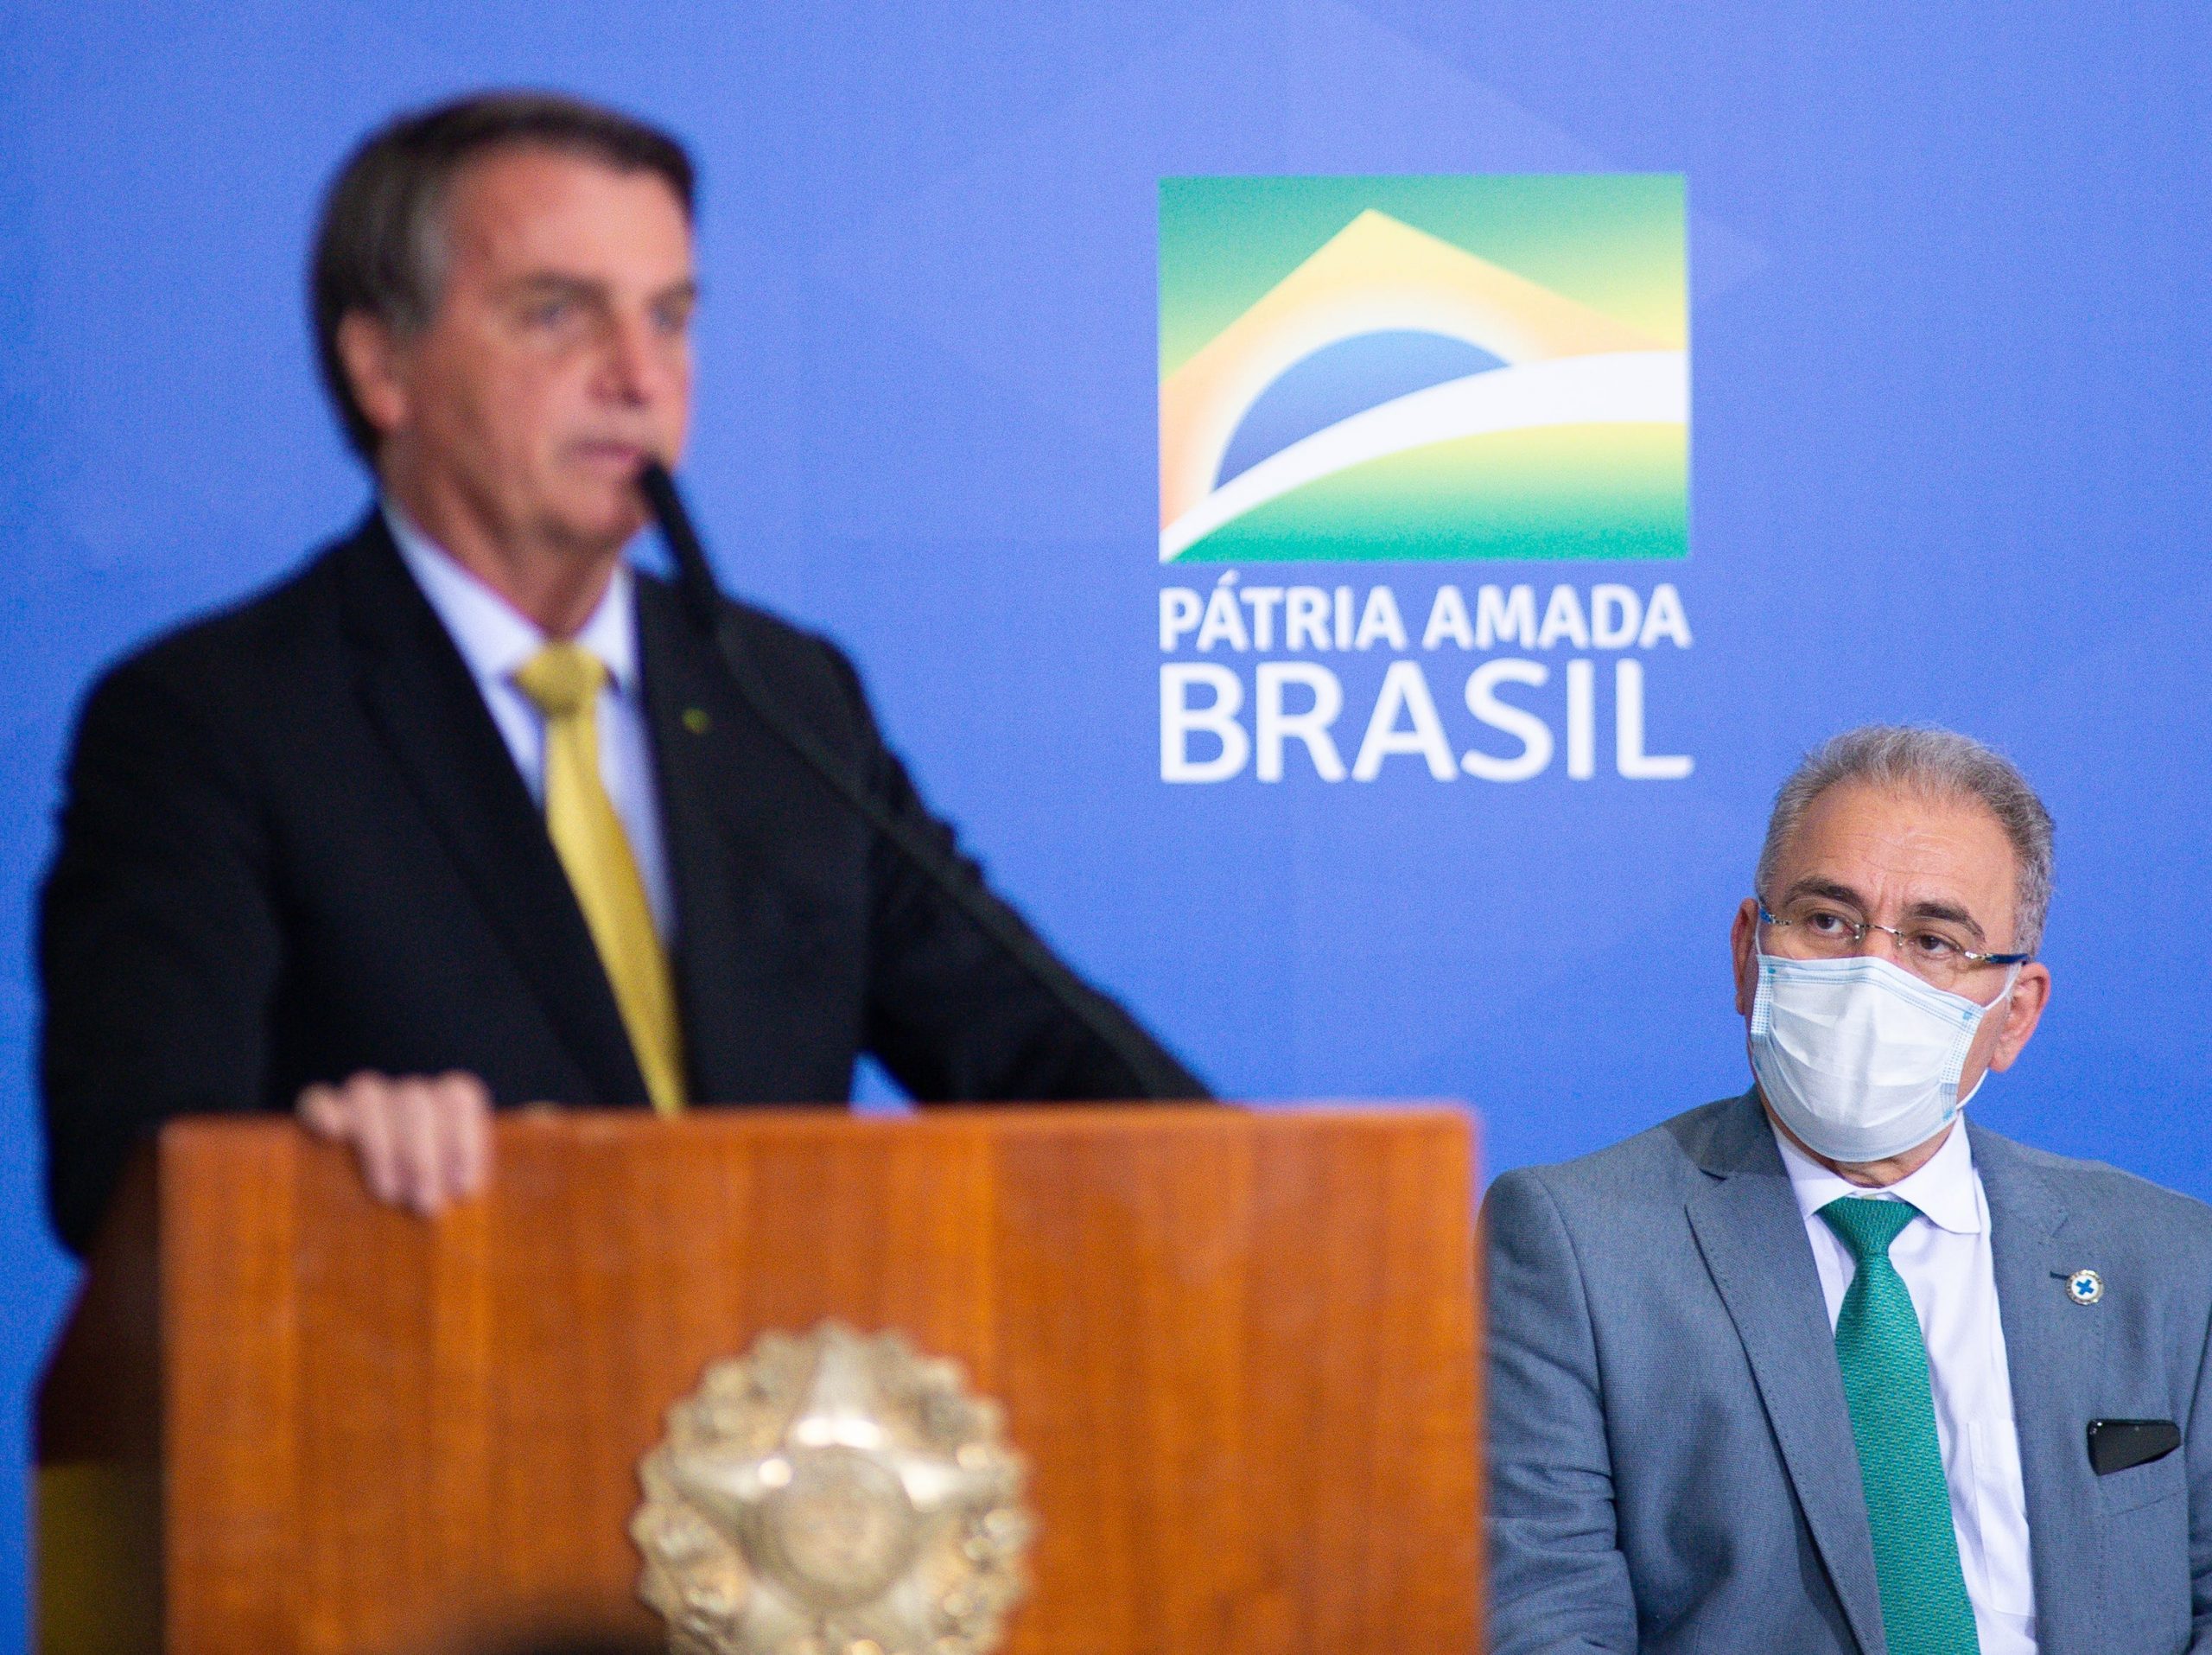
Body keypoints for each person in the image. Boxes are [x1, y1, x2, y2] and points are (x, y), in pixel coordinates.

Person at [38, 92, 1205, 1257]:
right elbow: (123, 1177)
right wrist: (315, 1166)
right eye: (558, 314)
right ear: (383, 365)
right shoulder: (213, 719)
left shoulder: (783, 697)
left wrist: (1270, 1186)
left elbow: (1053, 1061)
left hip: (786, 1419)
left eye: (672, 317)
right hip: (431, 1406)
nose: (641, 378)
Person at [1484, 725, 2212, 1655]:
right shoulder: (1578, 1247)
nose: (1874, 971)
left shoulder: (2168, 1262)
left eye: (1934, 940)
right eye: (1827, 921)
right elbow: (1543, 1623)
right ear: (1750, 953)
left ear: (2012, 1015)